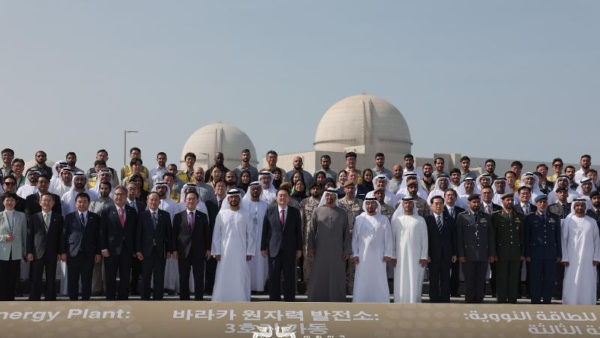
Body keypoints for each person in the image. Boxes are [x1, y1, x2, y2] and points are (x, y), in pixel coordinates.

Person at [307, 188, 351, 302]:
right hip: (320, 250)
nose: (329, 198)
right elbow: (311, 230)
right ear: (324, 196)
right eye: (327, 195)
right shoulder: (317, 211)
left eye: (332, 196)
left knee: (337, 275)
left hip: (337, 251)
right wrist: (310, 247)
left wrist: (346, 250)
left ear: (336, 197)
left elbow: (346, 232)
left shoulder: (342, 213)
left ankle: (337, 298)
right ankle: (317, 298)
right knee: (319, 274)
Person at [211, 189, 255, 302]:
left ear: (239, 198)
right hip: (224, 252)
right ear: (228, 199)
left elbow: (251, 234)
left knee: (240, 275)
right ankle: (221, 298)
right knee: (223, 275)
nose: (233, 199)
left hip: (241, 252)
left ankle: (241, 298)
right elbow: (216, 234)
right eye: (231, 197)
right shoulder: (221, 214)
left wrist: (250, 251)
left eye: (236, 197)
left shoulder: (246, 214)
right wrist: (216, 252)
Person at [261, 188, 302, 301]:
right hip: (273, 249)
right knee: (274, 276)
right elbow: (265, 230)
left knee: (289, 276)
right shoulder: (270, 210)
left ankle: (289, 299)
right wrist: (263, 247)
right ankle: (274, 299)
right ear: (276, 198)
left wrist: (299, 248)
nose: (282, 198)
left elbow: (298, 231)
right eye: (280, 195)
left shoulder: (295, 212)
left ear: (289, 198)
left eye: (285, 196)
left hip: (290, 249)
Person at [351, 194, 393, 303]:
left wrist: (388, 253)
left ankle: (380, 301)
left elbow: (388, 238)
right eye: (368, 203)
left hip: (379, 257)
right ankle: (360, 300)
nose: (370, 206)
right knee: (362, 279)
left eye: (373, 203)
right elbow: (355, 238)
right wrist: (355, 254)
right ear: (365, 205)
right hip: (362, 256)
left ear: (377, 205)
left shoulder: (383, 219)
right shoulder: (359, 218)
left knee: (379, 278)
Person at [61, 193, 102, 300]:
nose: (82, 204)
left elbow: (98, 236)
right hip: (73, 253)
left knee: (87, 279)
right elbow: (64, 235)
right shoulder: (69, 217)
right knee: (72, 279)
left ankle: (85, 300)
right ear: (75, 204)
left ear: (88, 203)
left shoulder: (95, 217)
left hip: (89, 253)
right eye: (79, 202)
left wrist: (98, 252)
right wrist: (63, 252)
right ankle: (73, 300)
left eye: (84, 202)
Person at [456, 194, 496, 303]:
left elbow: (490, 237)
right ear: (469, 203)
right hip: (468, 255)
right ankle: (469, 302)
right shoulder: (462, 216)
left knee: (481, 280)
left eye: (478, 202)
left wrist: (492, 254)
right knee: (469, 280)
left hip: (483, 254)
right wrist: (461, 254)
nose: (476, 204)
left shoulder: (486, 216)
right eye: (474, 202)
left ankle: (479, 301)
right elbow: (459, 237)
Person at [172, 190, 211, 300]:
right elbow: (174, 235)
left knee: (199, 278)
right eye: (189, 199)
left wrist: (208, 248)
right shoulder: (178, 217)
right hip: (183, 252)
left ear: (197, 201)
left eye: (194, 199)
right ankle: (184, 300)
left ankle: (199, 299)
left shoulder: (203, 216)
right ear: (185, 201)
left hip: (199, 251)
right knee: (183, 277)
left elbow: (207, 234)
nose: (191, 201)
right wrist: (174, 250)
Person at [100, 185, 137, 300]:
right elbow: (102, 231)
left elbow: (135, 232)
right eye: (116, 194)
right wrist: (103, 248)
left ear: (126, 196)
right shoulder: (106, 210)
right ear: (113, 196)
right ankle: (110, 298)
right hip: (110, 249)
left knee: (125, 276)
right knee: (110, 276)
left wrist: (135, 249)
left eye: (121, 194)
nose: (119, 197)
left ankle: (123, 298)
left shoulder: (132, 211)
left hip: (127, 249)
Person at [561, 198, 600, 305]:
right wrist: (565, 257)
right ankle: (570, 303)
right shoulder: (568, 221)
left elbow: (597, 240)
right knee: (571, 280)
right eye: (577, 205)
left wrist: (596, 257)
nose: (580, 207)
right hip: (571, 258)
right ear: (574, 207)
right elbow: (563, 240)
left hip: (589, 258)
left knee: (588, 281)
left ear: (585, 207)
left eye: (582, 205)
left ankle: (588, 303)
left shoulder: (592, 222)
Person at [390, 197, 428, 303]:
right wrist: (393, 256)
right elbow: (393, 239)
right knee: (401, 279)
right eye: (405, 203)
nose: (407, 205)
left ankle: (414, 301)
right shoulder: (397, 220)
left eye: (410, 203)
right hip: (399, 256)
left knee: (414, 278)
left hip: (416, 256)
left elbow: (425, 239)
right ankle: (400, 301)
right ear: (402, 205)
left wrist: (424, 256)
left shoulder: (420, 220)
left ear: (413, 205)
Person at [524, 194, 561, 304]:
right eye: (540, 202)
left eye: (544, 202)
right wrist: (527, 254)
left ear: (547, 203)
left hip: (550, 253)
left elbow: (557, 237)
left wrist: (559, 254)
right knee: (535, 278)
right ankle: (535, 300)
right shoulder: (530, 218)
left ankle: (547, 300)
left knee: (549, 278)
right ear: (536, 204)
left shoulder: (554, 217)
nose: (542, 204)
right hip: (535, 254)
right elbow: (527, 237)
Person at [136, 192, 172, 300]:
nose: (153, 202)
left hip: (160, 251)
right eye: (151, 200)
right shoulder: (142, 215)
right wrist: (138, 250)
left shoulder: (165, 215)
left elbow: (168, 234)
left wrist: (169, 250)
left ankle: (158, 298)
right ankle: (145, 298)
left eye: (156, 200)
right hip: (146, 251)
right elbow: (138, 234)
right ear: (147, 201)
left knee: (159, 276)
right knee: (146, 276)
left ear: (159, 202)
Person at [26, 193, 63, 301]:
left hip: (52, 252)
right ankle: (34, 297)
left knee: (51, 277)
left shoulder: (58, 218)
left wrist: (60, 252)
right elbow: (30, 236)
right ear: (40, 202)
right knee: (36, 276)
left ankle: (50, 297)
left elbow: (61, 236)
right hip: (37, 252)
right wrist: (29, 252)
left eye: (49, 200)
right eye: (44, 200)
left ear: (53, 203)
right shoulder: (34, 217)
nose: (46, 203)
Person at [491, 193, 524, 303]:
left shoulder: (519, 215)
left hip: (515, 252)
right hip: (501, 252)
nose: (510, 202)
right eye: (507, 200)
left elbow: (522, 237)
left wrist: (522, 253)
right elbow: (493, 236)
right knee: (501, 277)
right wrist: (493, 253)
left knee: (514, 277)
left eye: (511, 200)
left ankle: (512, 299)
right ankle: (501, 299)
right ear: (503, 201)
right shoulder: (496, 216)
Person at [425, 195, 456, 302]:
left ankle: (445, 299)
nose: (438, 206)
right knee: (433, 279)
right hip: (432, 255)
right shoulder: (427, 220)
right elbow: (425, 239)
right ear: (431, 206)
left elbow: (454, 238)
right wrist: (426, 254)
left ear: (444, 206)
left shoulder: (450, 220)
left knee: (446, 278)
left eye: (441, 204)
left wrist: (454, 253)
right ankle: (433, 299)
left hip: (447, 255)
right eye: (436, 203)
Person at [242, 182, 269, 293]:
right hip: (247, 241)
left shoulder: (265, 205)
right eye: (253, 189)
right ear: (250, 190)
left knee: (261, 264)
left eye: (257, 189)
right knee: (248, 264)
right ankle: (247, 287)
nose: (255, 191)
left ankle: (259, 287)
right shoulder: (243, 204)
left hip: (262, 241)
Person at [0, 192, 27, 300]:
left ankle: (11, 299)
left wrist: (24, 251)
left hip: (16, 252)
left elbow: (24, 234)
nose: (10, 202)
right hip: (2, 252)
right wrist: (4, 238)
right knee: (2, 277)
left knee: (13, 277)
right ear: (3, 202)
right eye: (7, 200)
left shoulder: (22, 215)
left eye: (12, 200)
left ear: (15, 202)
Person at [299, 183, 322, 290]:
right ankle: (308, 287)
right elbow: (301, 221)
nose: (315, 190)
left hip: (321, 238)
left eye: (317, 188)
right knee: (307, 264)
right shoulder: (304, 202)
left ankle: (319, 287)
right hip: (307, 237)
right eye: (313, 188)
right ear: (310, 190)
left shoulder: (324, 202)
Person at [444, 189, 465, 297]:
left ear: (456, 198)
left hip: (457, 245)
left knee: (456, 271)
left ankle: (454, 291)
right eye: (448, 195)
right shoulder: (440, 210)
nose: (450, 197)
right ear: (444, 197)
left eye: (452, 195)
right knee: (444, 271)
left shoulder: (461, 211)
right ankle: (444, 290)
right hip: (444, 246)